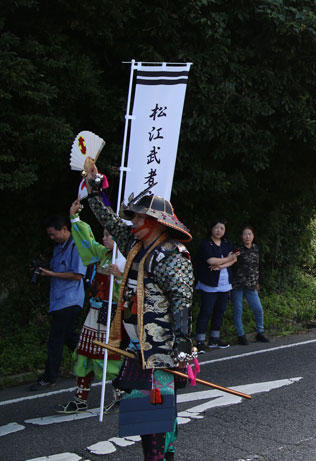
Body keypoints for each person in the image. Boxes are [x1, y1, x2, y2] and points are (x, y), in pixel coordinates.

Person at [83, 168, 194, 461]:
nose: (132, 222)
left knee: (155, 414)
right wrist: (94, 190)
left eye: (138, 218)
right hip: (136, 349)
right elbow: (109, 219)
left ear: (155, 222)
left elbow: (182, 301)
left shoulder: (172, 253)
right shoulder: (135, 244)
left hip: (160, 352)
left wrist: (182, 344)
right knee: (143, 414)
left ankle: (159, 458)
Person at [55, 198, 124, 413]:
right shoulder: (102, 254)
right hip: (94, 311)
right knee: (83, 352)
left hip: (113, 313)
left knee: (110, 356)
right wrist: (74, 218)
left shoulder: (128, 259)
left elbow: (137, 287)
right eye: (103, 234)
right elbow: (86, 240)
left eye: (109, 235)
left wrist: (120, 277)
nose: (104, 238)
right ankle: (80, 397)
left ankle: (120, 394)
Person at [30, 215, 88, 391]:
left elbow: (77, 274)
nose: (51, 238)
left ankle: (50, 376)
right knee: (69, 337)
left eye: (53, 234)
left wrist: (51, 274)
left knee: (56, 339)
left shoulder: (77, 246)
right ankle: (91, 361)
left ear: (64, 228)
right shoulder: (58, 248)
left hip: (70, 300)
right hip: (58, 301)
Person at [194, 219, 237, 352]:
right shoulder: (206, 243)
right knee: (206, 311)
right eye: (216, 228)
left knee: (220, 311)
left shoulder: (226, 243)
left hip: (225, 284)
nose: (219, 230)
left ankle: (214, 339)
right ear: (211, 229)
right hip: (209, 283)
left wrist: (221, 265)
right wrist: (227, 259)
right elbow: (211, 260)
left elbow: (234, 259)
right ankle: (200, 341)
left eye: (222, 228)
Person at [230, 226, 268, 345]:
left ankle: (260, 332)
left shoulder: (256, 248)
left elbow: (258, 266)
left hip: (251, 284)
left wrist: (257, 282)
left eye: (249, 234)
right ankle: (241, 335)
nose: (247, 237)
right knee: (238, 310)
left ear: (253, 236)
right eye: (245, 234)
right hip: (238, 284)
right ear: (241, 236)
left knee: (258, 309)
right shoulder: (237, 249)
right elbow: (231, 264)